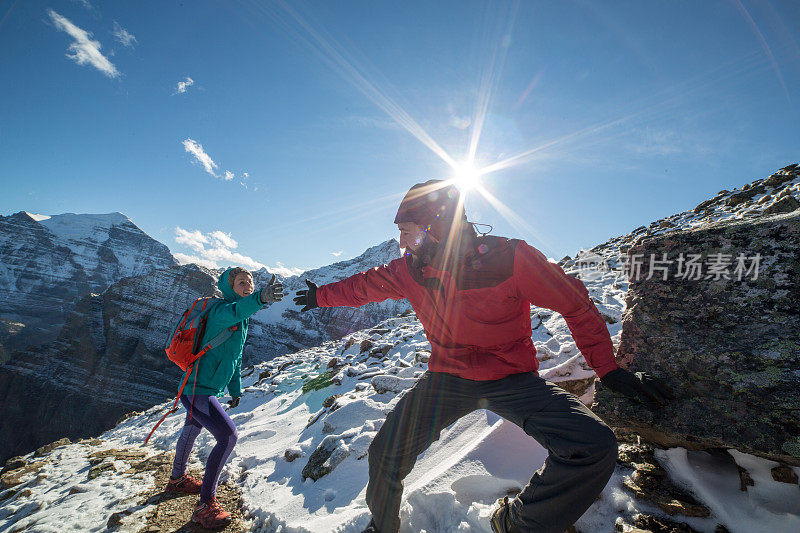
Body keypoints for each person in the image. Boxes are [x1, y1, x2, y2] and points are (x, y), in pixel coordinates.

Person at [293, 180, 672, 533]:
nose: (401, 242)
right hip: (447, 379)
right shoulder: (410, 268)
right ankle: (385, 526)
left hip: (513, 380)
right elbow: (364, 285)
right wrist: (319, 297)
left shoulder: (512, 258)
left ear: (435, 226)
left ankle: (515, 522)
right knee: (385, 452)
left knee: (595, 444)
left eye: (407, 231)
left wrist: (608, 370)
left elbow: (575, 303)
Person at [166, 267, 284, 528]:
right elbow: (237, 310)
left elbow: (235, 357)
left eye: (251, 282)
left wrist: (235, 389)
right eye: (242, 282)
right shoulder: (222, 311)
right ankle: (205, 504)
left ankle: (177, 480)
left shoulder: (241, 319)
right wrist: (261, 298)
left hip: (201, 388)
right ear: (229, 287)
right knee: (228, 436)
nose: (248, 285)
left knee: (192, 429)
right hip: (197, 390)